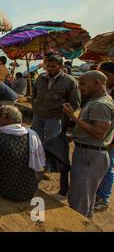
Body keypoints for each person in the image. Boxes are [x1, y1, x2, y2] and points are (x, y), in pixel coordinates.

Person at [63, 71, 114, 218]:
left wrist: (73, 117)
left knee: (79, 198)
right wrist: (75, 136)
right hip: (90, 151)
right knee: (86, 197)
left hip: (90, 155)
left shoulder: (101, 104)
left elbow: (99, 133)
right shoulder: (96, 101)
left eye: (83, 83)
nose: (80, 87)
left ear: (97, 83)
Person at [31, 53, 80, 191]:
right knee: (37, 141)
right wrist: (35, 105)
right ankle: (39, 166)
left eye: (53, 66)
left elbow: (75, 103)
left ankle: (48, 168)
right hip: (38, 115)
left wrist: (62, 113)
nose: (49, 69)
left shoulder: (70, 81)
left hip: (56, 118)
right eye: (47, 66)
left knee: (52, 144)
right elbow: (34, 94)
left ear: (60, 66)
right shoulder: (41, 77)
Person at [94, 62, 114, 212]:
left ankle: (103, 198)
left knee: (108, 166)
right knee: (102, 165)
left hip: (110, 137)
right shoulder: (109, 89)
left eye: (105, 75)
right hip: (105, 134)